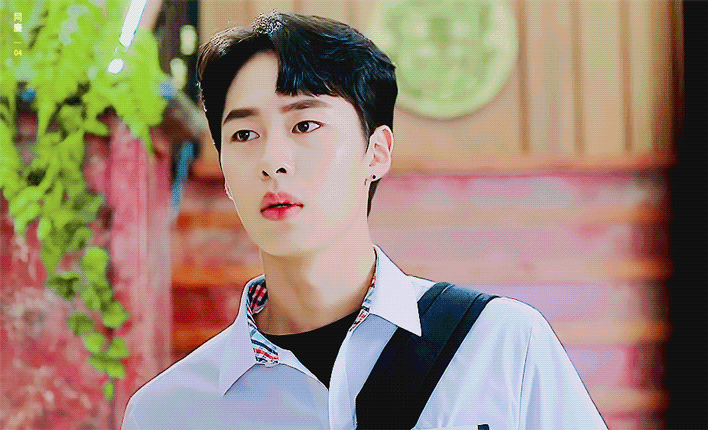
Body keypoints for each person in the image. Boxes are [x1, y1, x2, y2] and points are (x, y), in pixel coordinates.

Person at [122, 11, 607, 430]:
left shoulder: (502, 345)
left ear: (376, 152)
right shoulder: (168, 413)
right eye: (245, 135)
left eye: (304, 125)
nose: (272, 161)